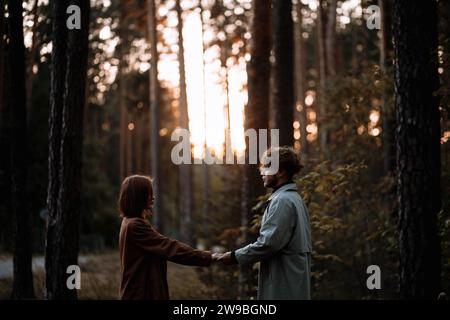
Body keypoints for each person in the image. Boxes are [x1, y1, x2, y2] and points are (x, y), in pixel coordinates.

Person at [216, 146, 312, 300]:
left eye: (266, 167)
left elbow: (268, 244)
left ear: (280, 172)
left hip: (284, 288)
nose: (261, 172)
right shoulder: (293, 199)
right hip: (291, 285)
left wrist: (234, 256)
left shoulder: (282, 201)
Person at [118, 175, 217, 300]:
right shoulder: (135, 225)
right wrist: (210, 257)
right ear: (139, 196)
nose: (153, 197)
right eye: (148, 193)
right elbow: (170, 248)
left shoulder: (128, 222)